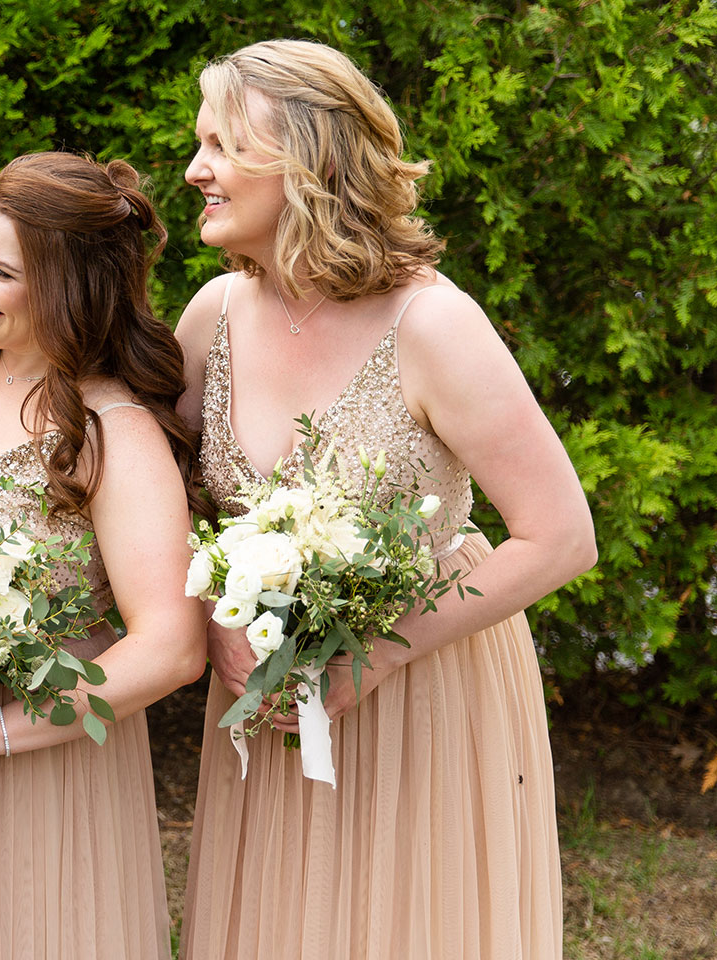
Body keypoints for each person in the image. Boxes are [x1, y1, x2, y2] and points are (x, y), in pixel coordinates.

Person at [172, 39, 594, 960]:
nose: (196, 170)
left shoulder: (433, 325)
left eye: (223, 146)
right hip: (267, 695)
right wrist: (215, 622)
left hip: (425, 691)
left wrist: (375, 659)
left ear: (310, 163)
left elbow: (560, 536)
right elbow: (162, 509)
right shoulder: (210, 318)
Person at [0, 152, 208, 960]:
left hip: (39, 780)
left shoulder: (111, 431)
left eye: (2, 270)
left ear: (69, 287)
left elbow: (171, 646)